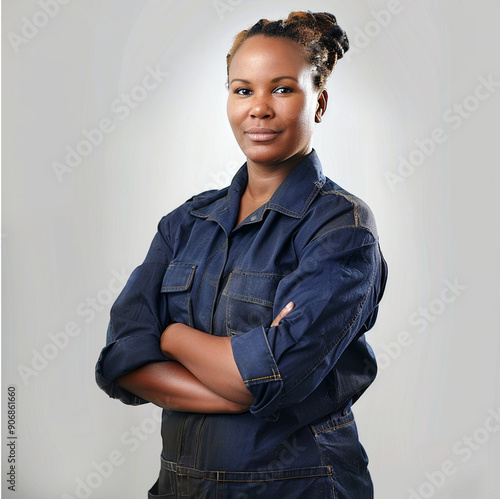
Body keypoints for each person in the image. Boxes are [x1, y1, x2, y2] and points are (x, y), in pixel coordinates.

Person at [96, 10, 388, 498]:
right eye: (243, 89)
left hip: (300, 487)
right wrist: (236, 392)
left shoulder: (341, 228)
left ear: (318, 101)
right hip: (181, 486)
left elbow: (269, 378)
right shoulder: (186, 223)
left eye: (281, 88)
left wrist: (171, 336)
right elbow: (124, 359)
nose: (259, 108)